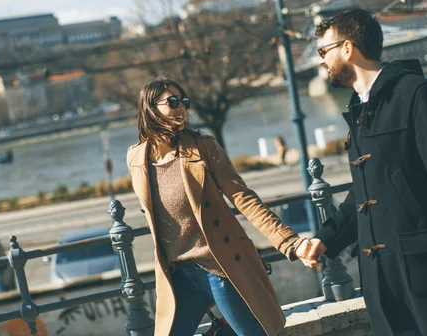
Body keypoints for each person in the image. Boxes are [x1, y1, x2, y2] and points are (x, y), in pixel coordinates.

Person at [299, 8, 427, 336]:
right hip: (382, 281)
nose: (320, 61)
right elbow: (365, 192)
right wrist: (325, 238)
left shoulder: (419, 96)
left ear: (347, 48)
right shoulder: (360, 108)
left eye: (323, 51)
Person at [126, 77, 315, 336]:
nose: (181, 106)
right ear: (151, 108)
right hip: (179, 277)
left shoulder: (204, 148)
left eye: (184, 101)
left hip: (220, 268)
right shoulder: (136, 159)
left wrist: (290, 242)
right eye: (172, 101)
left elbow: (244, 198)